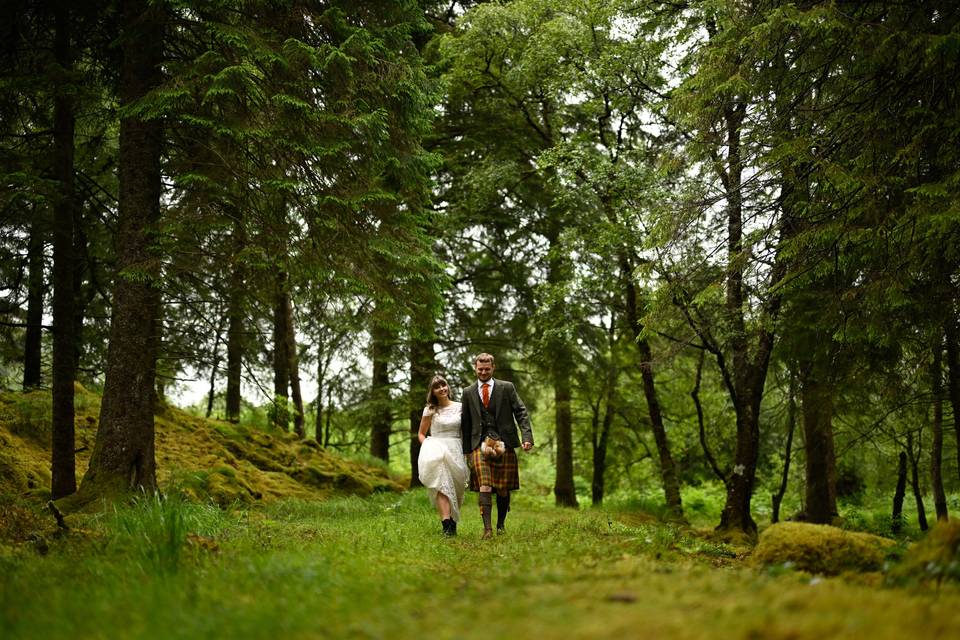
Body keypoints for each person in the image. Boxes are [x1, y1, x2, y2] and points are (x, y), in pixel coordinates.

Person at [461, 353, 533, 539]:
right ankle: (487, 530)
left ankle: (500, 524)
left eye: (487, 369)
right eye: (480, 369)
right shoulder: (468, 392)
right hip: (479, 444)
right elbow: (466, 423)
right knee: (485, 485)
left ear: (493, 368)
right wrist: (466, 450)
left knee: (502, 488)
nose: (483, 372)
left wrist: (527, 436)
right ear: (475, 368)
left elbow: (521, 412)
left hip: (505, 442)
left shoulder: (506, 388)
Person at [417, 375, 469, 536]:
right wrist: (428, 447)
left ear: (448, 387)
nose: (442, 389)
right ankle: (446, 524)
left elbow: (464, 432)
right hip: (436, 450)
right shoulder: (430, 409)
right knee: (442, 487)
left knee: (457, 488)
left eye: (443, 385)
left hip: (456, 449)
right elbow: (421, 433)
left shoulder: (461, 407)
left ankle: (453, 522)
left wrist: (467, 451)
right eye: (437, 387)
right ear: (433, 391)